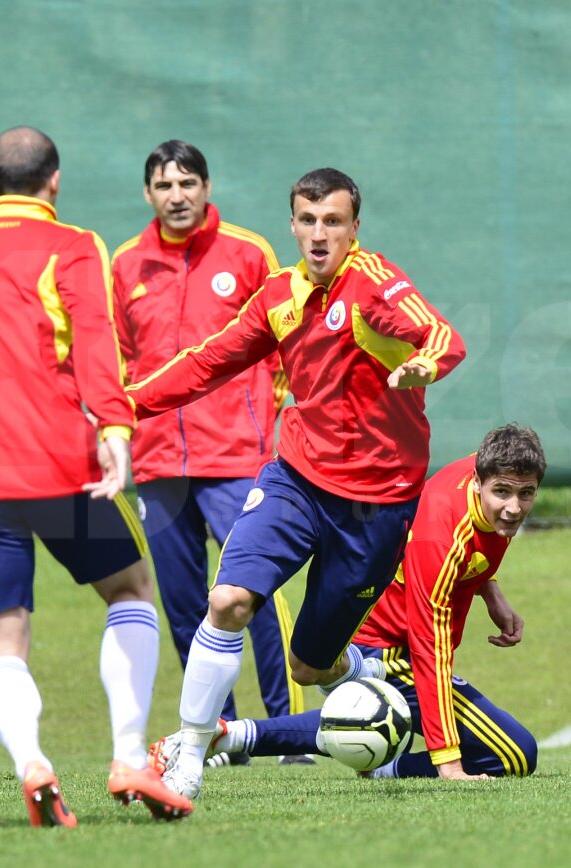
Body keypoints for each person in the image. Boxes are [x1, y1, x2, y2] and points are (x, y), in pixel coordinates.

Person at [126, 167, 466, 798]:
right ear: (292, 225)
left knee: (311, 665)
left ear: (354, 229)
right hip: (297, 480)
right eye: (307, 221)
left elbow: (445, 337)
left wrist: (424, 364)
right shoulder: (279, 295)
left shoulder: (375, 284)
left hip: (377, 506)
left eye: (333, 222)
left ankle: (355, 679)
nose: (319, 235)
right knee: (227, 600)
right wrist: (123, 404)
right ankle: (190, 754)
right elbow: (206, 363)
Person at [0, 126, 193, 827]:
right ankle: (126, 757)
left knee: (1, 638)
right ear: (54, 180)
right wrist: (116, 428)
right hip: (63, 465)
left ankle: (32, 761)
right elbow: (95, 342)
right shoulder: (73, 245)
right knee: (130, 590)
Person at [150, 424, 545, 781]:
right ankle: (378, 729)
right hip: (392, 649)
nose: (514, 506)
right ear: (477, 480)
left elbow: (474, 547)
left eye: (526, 494)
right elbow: (431, 649)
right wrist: (449, 767)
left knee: (376, 722)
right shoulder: (441, 537)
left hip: (391, 641)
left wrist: (487, 587)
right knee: (514, 754)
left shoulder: (483, 478)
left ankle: (226, 735)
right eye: (503, 493)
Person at [111, 140, 308, 764]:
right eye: (165, 186)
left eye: (188, 183)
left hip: (236, 457)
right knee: (181, 600)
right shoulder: (124, 265)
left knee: (259, 592)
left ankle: (287, 732)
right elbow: (115, 360)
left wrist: (270, 418)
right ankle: (217, 732)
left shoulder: (249, 254)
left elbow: (284, 345)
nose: (177, 196)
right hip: (159, 463)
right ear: (148, 194)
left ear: (206, 187)